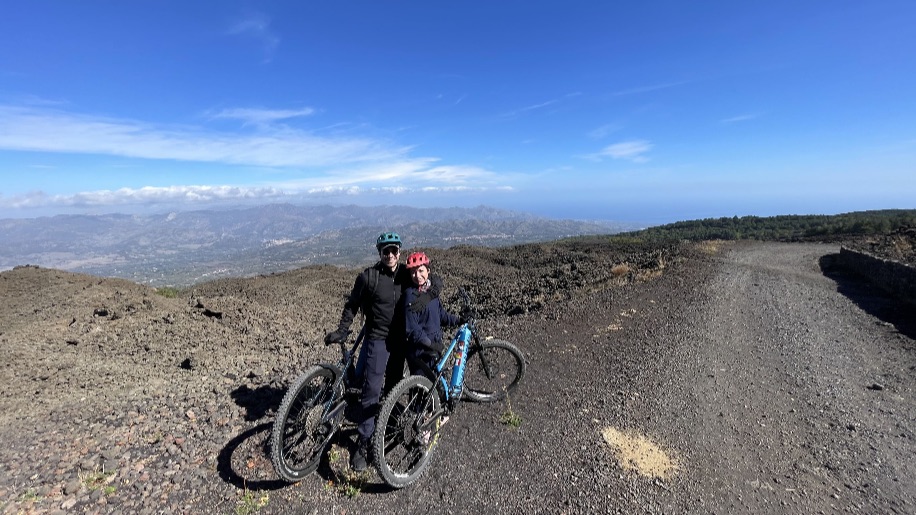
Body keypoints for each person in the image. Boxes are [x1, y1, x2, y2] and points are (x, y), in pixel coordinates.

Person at [324, 232, 442, 471]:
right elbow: (352, 304)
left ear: (399, 252)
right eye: (385, 251)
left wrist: (429, 295)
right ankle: (364, 441)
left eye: (394, 251)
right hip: (377, 339)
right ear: (379, 253)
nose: (390, 255)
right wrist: (343, 329)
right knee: (371, 391)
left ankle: (386, 424)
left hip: (399, 341)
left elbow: (434, 280)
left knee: (393, 386)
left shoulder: (406, 276)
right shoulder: (369, 277)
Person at [402, 252, 461, 379]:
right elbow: (412, 329)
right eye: (413, 272)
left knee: (436, 384)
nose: (417, 275)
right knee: (421, 389)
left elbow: (441, 315)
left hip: (435, 347)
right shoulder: (410, 296)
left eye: (420, 270)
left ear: (428, 271)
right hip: (420, 351)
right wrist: (430, 344)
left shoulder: (431, 293)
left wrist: (458, 320)